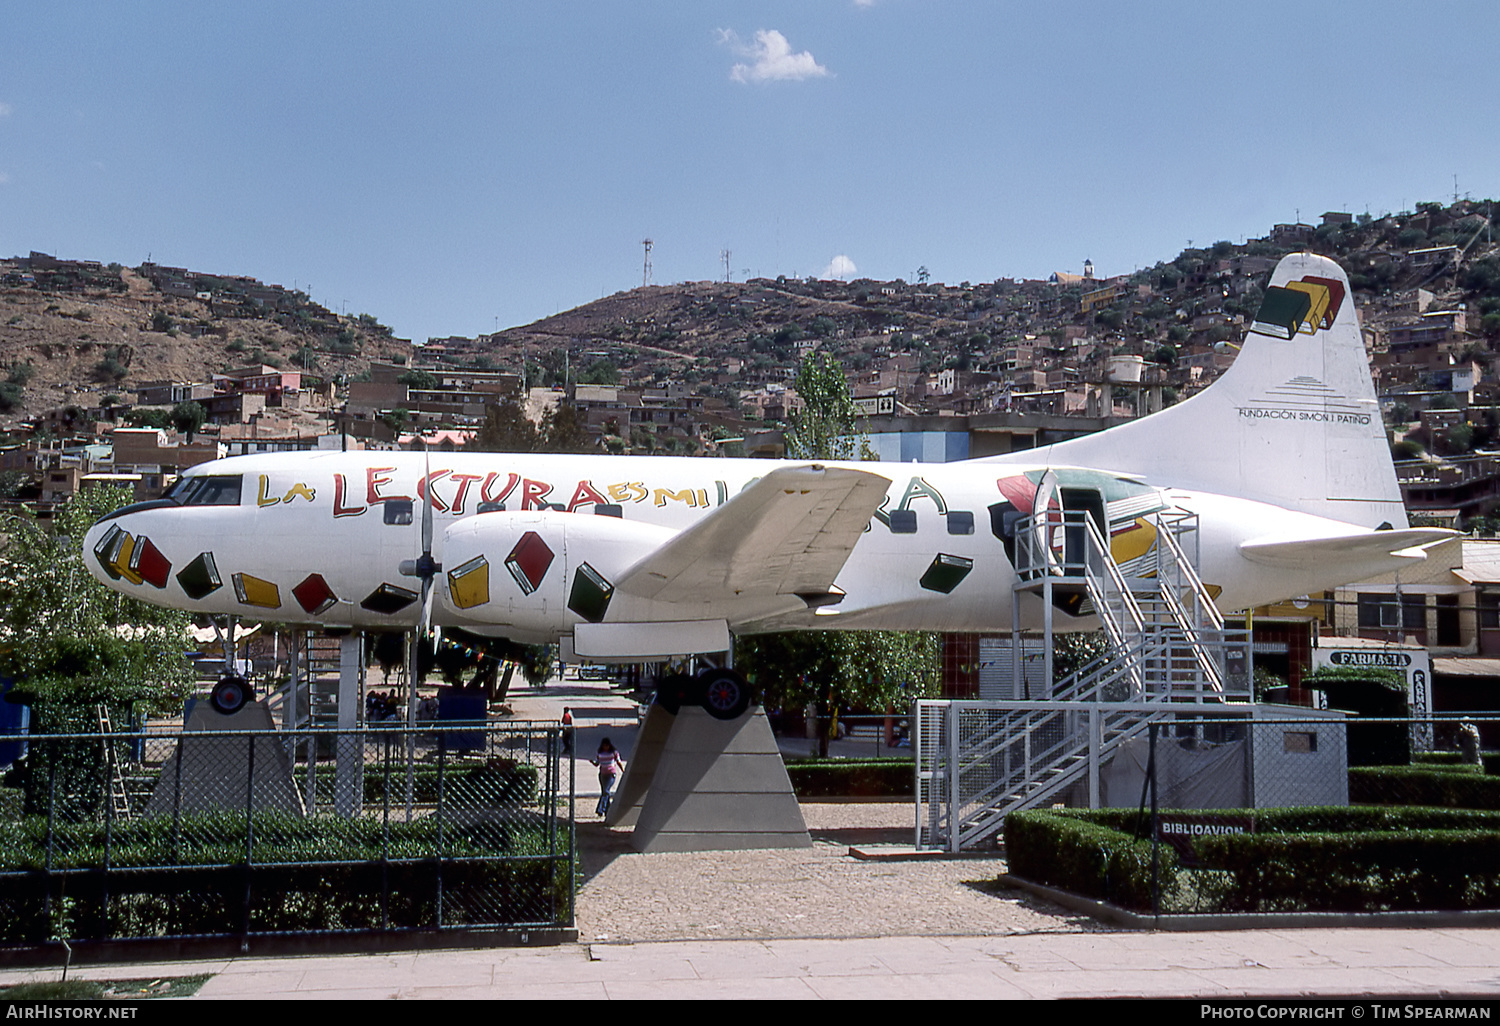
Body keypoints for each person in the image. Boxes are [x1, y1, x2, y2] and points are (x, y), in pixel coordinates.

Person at [592, 737, 625, 817]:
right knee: (605, 792)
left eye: (606, 745)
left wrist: (623, 771)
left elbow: (618, 762)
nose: (605, 747)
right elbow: (597, 764)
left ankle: (600, 809)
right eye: (604, 746)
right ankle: (608, 810)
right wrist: (592, 762)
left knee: (606, 791)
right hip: (602, 774)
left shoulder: (614, 752)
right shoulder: (599, 753)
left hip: (611, 774)